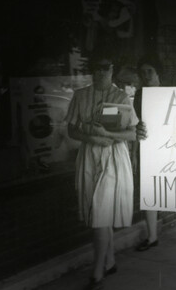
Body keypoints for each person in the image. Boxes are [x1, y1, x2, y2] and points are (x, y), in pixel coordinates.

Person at [65, 50, 139, 290]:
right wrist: (91, 138)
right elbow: (72, 130)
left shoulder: (120, 97)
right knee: (98, 211)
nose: (100, 71)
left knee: (100, 213)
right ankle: (110, 261)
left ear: (111, 69)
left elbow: (133, 133)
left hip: (113, 158)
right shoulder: (81, 95)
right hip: (89, 155)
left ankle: (97, 271)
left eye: (105, 66)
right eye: (96, 67)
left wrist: (108, 135)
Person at [133, 55, 176, 252]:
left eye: (150, 71)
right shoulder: (139, 95)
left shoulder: (169, 93)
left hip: (169, 146)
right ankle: (152, 237)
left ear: (157, 73)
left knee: (174, 185)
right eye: (143, 72)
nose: (146, 75)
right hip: (148, 147)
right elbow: (136, 121)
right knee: (149, 190)